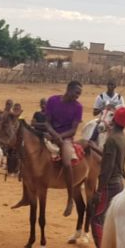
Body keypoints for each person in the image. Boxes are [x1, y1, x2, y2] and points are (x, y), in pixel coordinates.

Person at [85, 107, 125, 248]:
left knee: (96, 220)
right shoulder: (123, 139)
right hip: (118, 183)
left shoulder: (111, 140)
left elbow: (108, 166)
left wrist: (99, 190)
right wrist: (95, 148)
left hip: (109, 185)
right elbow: (114, 159)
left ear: (114, 121)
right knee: (109, 222)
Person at [43, 81, 85, 217]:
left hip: (65, 138)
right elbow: (47, 122)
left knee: (67, 163)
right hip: (50, 134)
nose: (77, 96)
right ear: (68, 89)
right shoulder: (53, 100)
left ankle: (69, 198)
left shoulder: (78, 107)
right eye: (76, 93)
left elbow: (73, 130)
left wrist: (59, 137)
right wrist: (54, 135)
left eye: (79, 94)